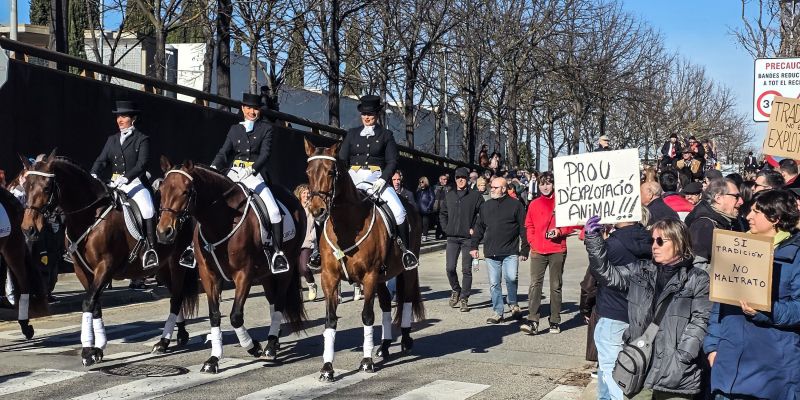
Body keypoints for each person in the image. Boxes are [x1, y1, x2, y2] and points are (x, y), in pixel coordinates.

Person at [585, 217, 711, 400]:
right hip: (641, 367)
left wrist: (683, 356)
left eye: (660, 241)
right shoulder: (642, 271)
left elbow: (701, 321)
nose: (654, 246)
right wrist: (593, 239)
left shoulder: (697, 278)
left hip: (676, 374)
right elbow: (608, 275)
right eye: (652, 240)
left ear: (678, 242)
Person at [704, 189, 800, 400]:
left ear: (775, 218)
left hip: (771, 373)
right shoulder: (734, 248)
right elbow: (718, 305)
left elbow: (798, 309)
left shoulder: (796, 255)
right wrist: (712, 347)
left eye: (756, 212)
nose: (748, 217)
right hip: (727, 369)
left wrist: (766, 309)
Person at [337, 94, 418, 269]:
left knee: (400, 212)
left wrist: (383, 179)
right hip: (353, 177)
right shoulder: (351, 134)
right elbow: (342, 159)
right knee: (330, 206)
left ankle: (406, 252)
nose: (367, 117)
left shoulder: (386, 135)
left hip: (376, 178)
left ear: (377, 115)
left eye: (371, 114)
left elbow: (392, 161)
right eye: (364, 114)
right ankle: (319, 252)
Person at [210, 93, 289, 272]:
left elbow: (265, 154)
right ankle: (193, 248)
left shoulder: (266, 128)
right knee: (210, 201)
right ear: (243, 109)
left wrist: (252, 169)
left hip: (254, 174)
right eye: (249, 108)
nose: (252, 112)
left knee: (274, 211)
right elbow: (224, 152)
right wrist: (214, 167)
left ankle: (277, 253)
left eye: (255, 109)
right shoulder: (234, 129)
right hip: (233, 172)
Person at [589, 210, 653, 400]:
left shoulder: (615, 243)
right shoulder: (650, 239)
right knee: (630, 366)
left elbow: (601, 272)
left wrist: (594, 239)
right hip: (639, 315)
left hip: (612, 312)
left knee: (612, 370)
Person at [90, 100, 158, 270]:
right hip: (114, 183)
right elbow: (101, 160)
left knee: (147, 207)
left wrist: (126, 178)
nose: (120, 120)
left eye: (124, 116)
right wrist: (93, 173)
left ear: (133, 118)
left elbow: (141, 165)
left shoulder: (142, 139)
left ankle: (151, 249)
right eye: (118, 116)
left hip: (134, 183)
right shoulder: (112, 139)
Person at [521, 171, 579, 335]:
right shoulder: (534, 204)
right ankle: (532, 320)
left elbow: (572, 223)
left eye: (548, 183)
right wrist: (532, 241)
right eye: (542, 184)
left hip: (557, 249)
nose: (545, 187)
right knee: (535, 285)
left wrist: (560, 231)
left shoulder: (562, 202)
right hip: (538, 250)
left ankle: (554, 320)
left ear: (553, 184)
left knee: (555, 286)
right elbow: (529, 225)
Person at [470, 177, 529, 324]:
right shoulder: (486, 206)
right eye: (492, 187)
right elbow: (479, 227)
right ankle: (498, 312)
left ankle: (513, 304)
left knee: (511, 278)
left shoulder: (516, 205)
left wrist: (525, 249)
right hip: (491, 252)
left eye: (495, 187)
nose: (492, 190)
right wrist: (474, 246)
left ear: (503, 189)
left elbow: (523, 227)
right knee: (494, 283)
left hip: (510, 251)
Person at [440, 167, 484, 312]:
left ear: (467, 179)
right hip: (452, 237)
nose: (460, 180)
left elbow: (482, 215)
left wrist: (475, 230)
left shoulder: (475, 196)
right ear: (455, 179)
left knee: (466, 269)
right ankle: (456, 290)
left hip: (467, 239)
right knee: (450, 268)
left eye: (463, 177)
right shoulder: (449, 195)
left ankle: (464, 298)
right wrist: (446, 228)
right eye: (458, 177)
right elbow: (443, 213)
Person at [684, 178, 743, 261]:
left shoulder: (729, 221)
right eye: (736, 197)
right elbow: (698, 267)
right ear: (718, 198)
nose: (741, 201)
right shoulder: (704, 226)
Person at [293, 184, 317, 301]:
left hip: (307, 241)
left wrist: (312, 237)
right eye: (304, 193)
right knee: (293, 269)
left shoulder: (313, 206)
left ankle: (311, 285)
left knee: (304, 268)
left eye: (308, 193)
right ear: (299, 194)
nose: (306, 195)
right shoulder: (294, 207)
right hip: (294, 242)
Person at [415, 176, 435, 241]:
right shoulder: (418, 190)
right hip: (419, 209)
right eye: (420, 182)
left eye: (422, 182)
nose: (421, 183)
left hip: (426, 209)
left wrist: (429, 207)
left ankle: (424, 235)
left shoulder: (429, 189)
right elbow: (416, 199)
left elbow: (432, 198)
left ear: (425, 182)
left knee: (425, 223)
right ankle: (420, 234)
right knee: (419, 222)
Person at [433, 175, 451, 240]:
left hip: (445, 208)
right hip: (437, 208)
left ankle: (444, 234)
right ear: (440, 180)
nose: (445, 180)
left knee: (444, 221)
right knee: (438, 222)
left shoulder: (449, 188)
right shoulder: (435, 187)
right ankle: (438, 235)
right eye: (443, 179)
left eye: (446, 179)